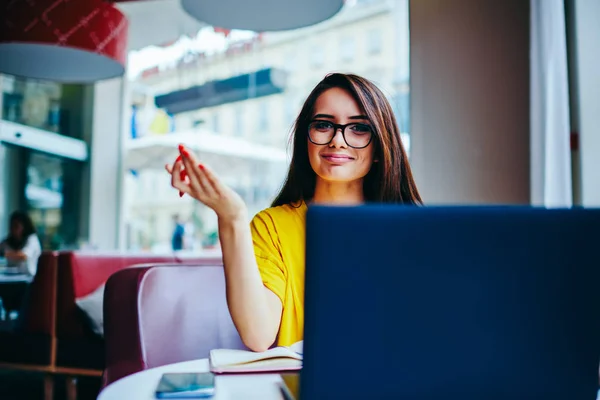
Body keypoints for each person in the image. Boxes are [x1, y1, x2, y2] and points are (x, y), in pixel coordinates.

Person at [166, 73, 422, 352]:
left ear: (378, 148)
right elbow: (258, 334)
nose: (337, 140)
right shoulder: (272, 226)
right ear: (305, 140)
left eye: (359, 128)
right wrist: (232, 218)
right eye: (324, 125)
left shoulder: (409, 230)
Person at [0, 211, 41, 276]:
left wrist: (4, 254)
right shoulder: (7, 241)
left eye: (16, 226)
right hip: (10, 278)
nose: (13, 229)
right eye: (11, 226)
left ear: (24, 227)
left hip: (28, 279)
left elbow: (23, 256)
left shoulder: (32, 239)